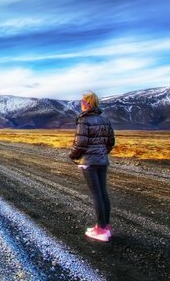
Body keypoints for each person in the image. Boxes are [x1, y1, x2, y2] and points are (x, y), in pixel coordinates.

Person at [69, 91, 115, 242]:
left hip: (89, 161)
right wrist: (102, 153)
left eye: (82, 101)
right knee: (103, 193)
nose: (80, 104)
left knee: (96, 194)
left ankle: (101, 230)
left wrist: (73, 155)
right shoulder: (104, 120)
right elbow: (110, 142)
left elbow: (80, 143)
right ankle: (104, 226)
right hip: (102, 160)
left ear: (87, 103)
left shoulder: (84, 120)